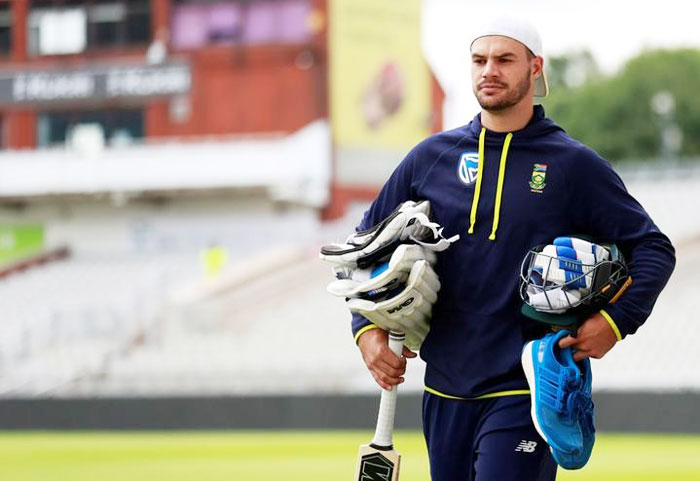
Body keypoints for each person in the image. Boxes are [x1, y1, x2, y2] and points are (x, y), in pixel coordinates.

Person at [350, 15, 676, 481]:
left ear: (534, 67)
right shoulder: (430, 158)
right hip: (444, 391)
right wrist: (367, 331)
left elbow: (654, 249)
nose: (489, 71)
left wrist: (614, 323)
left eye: (504, 59)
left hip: (525, 389)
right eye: (479, 60)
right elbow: (365, 249)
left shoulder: (573, 164)